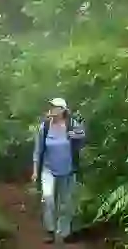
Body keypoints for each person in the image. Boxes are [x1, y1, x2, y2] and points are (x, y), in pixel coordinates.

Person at [31, 97, 86, 244]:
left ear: (62, 110)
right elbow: (38, 150)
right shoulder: (45, 127)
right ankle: (50, 230)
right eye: (51, 106)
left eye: (55, 107)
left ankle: (65, 232)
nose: (52, 109)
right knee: (48, 199)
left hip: (68, 170)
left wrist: (73, 136)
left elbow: (83, 136)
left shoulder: (72, 124)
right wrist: (35, 170)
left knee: (66, 203)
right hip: (48, 169)